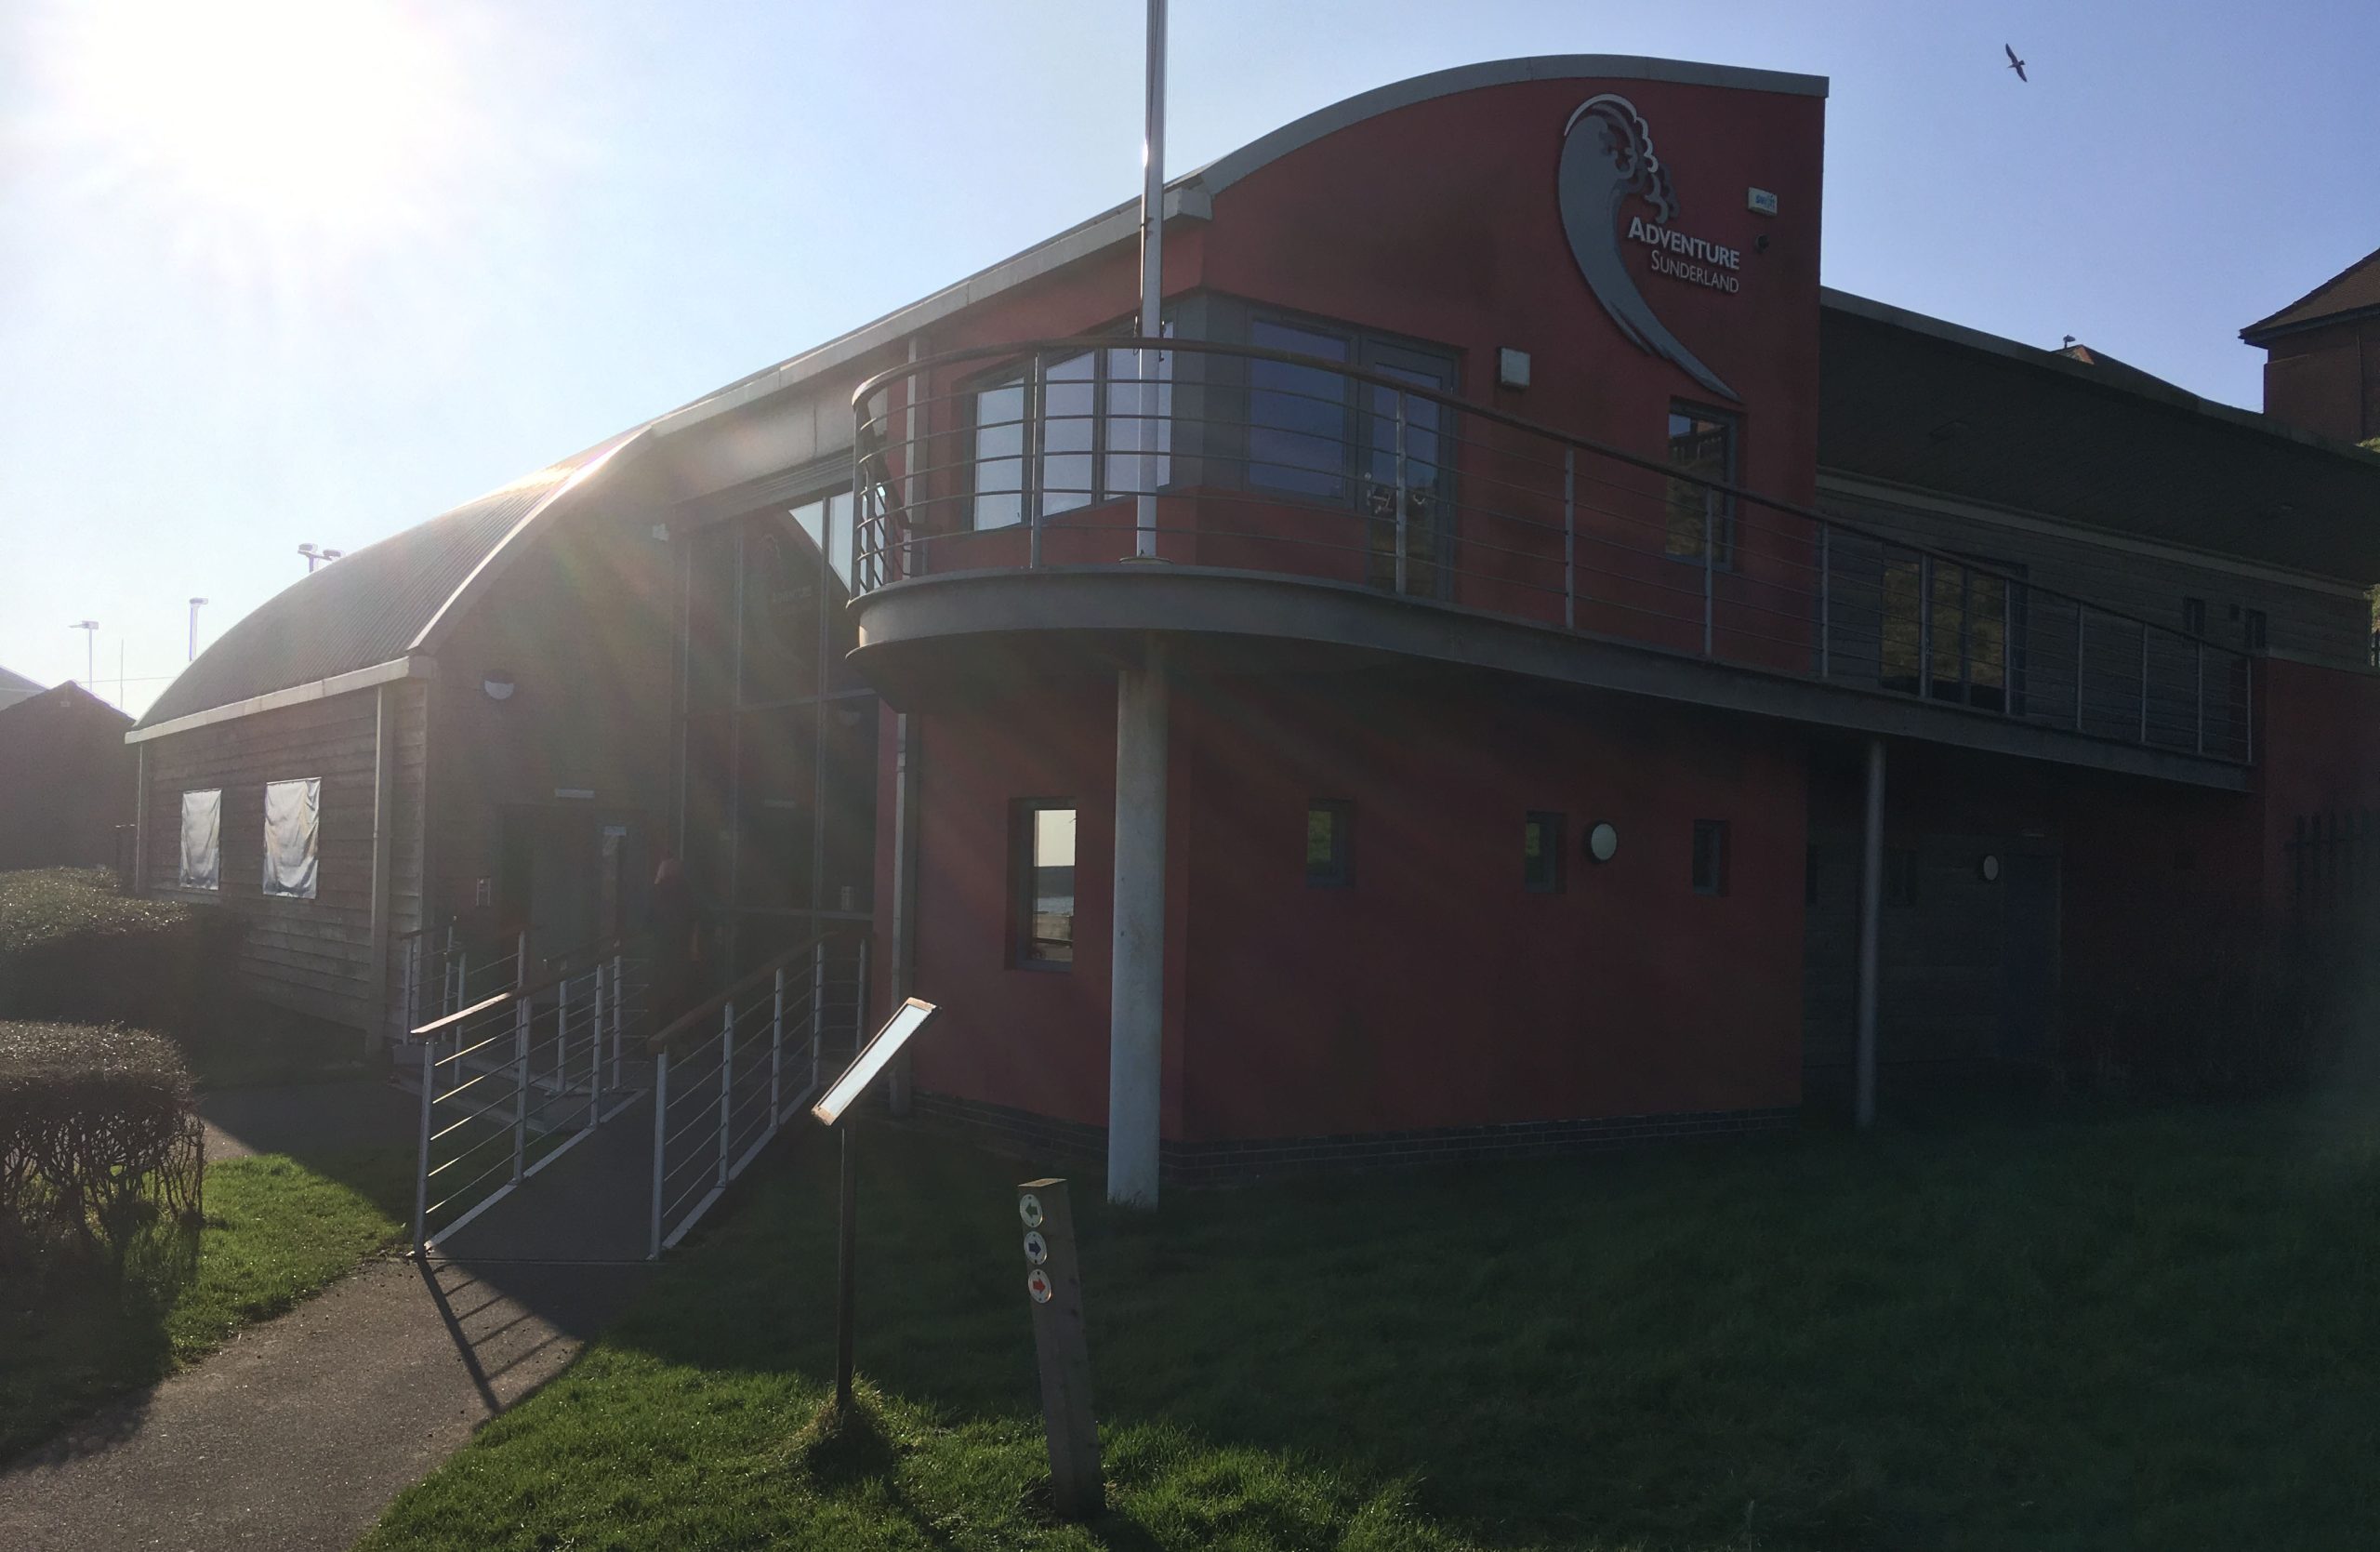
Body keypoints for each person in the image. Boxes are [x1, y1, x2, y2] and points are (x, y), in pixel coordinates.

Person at [646, 855, 703, 1026]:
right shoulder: (687, 894)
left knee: (661, 997)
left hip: (661, 952)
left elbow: (647, 922)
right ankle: (679, 1039)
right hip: (680, 951)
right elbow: (694, 921)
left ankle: (660, 1038)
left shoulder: (656, 894)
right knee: (681, 996)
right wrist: (694, 951)